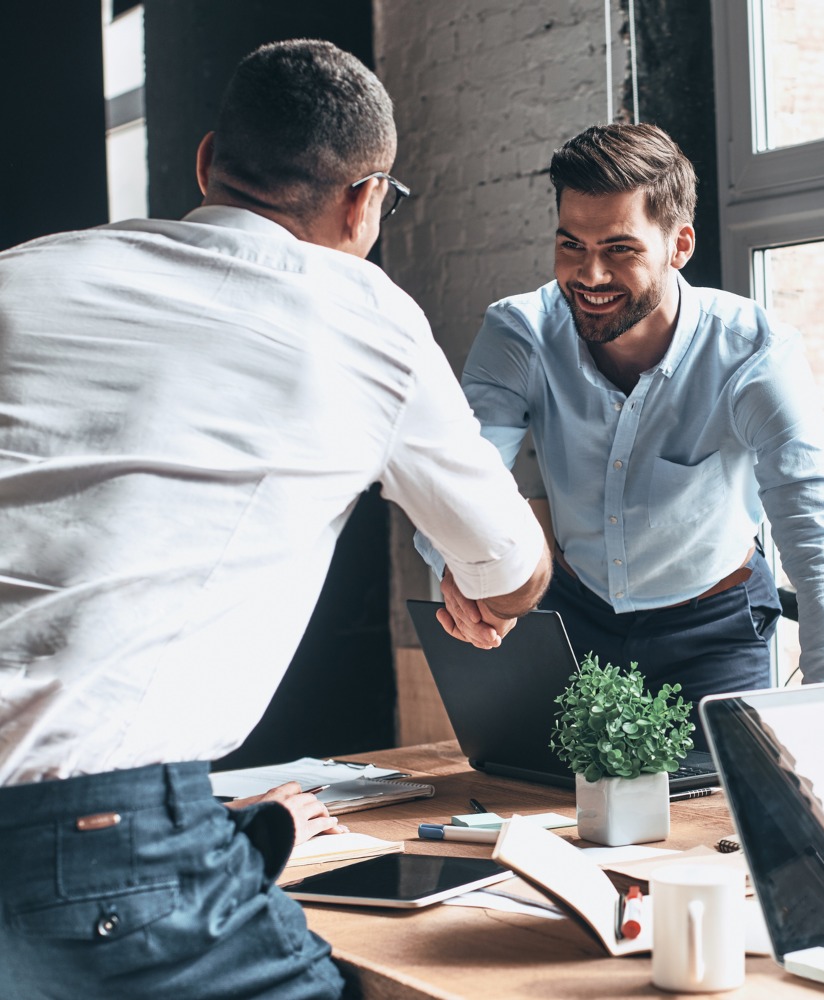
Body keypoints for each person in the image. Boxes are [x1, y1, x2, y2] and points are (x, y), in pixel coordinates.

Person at [0, 40, 549, 999]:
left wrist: (233, 830)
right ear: (366, 199)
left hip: (114, 830)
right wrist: (472, 574)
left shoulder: (23, 276)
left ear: (207, 162)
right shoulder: (360, 313)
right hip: (99, 850)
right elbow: (514, 574)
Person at [419, 123, 824, 730]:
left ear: (678, 245)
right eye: (571, 245)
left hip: (713, 630)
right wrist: (461, 572)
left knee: (722, 813)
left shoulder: (752, 352)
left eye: (619, 249)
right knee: (543, 809)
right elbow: (459, 476)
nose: (590, 275)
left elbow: (817, 530)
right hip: (573, 616)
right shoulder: (521, 332)